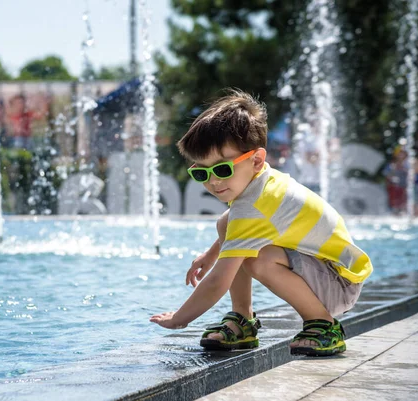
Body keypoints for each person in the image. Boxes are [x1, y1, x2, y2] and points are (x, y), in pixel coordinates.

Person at [150, 90, 373, 357]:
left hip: (338, 285)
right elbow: (234, 228)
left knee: (259, 259)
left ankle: (323, 325)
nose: (213, 182)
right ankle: (242, 320)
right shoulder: (260, 183)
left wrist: (179, 319)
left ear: (256, 160)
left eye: (222, 169)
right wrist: (211, 254)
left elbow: (218, 282)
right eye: (201, 172)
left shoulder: (257, 204)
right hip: (324, 272)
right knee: (226, 223)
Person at [384, 145, 408, 214]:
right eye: (400, 152)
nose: (401, 155)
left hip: (405, 188)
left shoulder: (408, 165)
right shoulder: (391, 165)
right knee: (395, 203)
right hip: (395, 188)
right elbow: (387, 176)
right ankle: (395, 212)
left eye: (403, 152)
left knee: (405, 203)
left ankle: (403, 212)